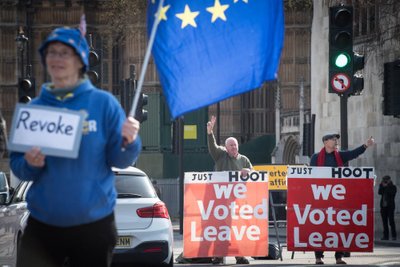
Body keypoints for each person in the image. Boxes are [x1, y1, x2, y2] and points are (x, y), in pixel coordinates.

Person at [9, 21, 142, 267]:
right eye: (51, 52)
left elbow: (120, 160)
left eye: (65, 53)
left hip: (94, 226)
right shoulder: (34, 110)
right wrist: (30, 163)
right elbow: (18, 165)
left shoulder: (104, 104)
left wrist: (130, 141)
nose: (56, 58)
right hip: (43, 226)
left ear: (81, 61)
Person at [310, 133, 375, 265]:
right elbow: (311, 176)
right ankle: (318, 256)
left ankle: (339, 256)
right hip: (321, 197)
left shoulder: (340, 156)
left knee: (340, 226)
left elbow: (353, 153)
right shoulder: (316, 158)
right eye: (333, 139)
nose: (336, 142)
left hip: (337, 197)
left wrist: (365, 146)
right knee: (320, 227)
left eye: (336, 140)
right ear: (325, 142)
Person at [207, 115, 251, 265]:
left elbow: (254, 175)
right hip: (221, 200)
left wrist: (248, 171)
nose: (233, 147)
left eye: (235, 145)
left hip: (237, 201)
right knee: (220, 229)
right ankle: (218, 256)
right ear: (225, 148)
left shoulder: (244, 159)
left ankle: (240, 256)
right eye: (230, 145)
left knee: (237, 228)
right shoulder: (220, 156)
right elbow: (212, 146)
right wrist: (210, 132)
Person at [378, 175, 397, 241]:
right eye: (384, 180)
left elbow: (392, 193)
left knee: (391, 222)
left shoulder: (393, 187)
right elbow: (379, 192)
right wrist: (382, 186)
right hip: (383, 207)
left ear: (389, 180)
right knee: (384, 222)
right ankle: (386, 236)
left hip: (390, 207)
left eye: (386, 180)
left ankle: (394, 236)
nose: (385, 181)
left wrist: (387, 186)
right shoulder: (382, 186)